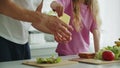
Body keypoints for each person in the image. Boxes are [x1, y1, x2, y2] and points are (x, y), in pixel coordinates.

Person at [0, 0, 73, 62]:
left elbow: (34, 21)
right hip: (3, 37)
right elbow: (3, 5)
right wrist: (44, 18)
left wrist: (56, 30)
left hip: (23, 44)